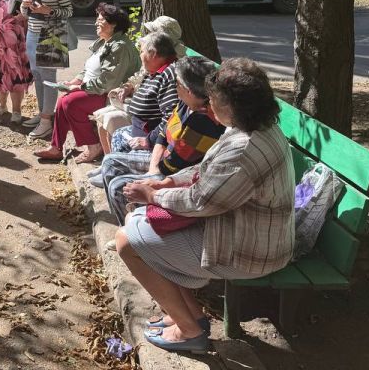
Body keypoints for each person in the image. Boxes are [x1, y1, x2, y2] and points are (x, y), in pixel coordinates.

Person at [115, 58, 295, 353]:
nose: (209, 105)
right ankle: (187, 315)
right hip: (242, 232)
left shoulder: (245, 148)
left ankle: (189, 331)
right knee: (139, 225)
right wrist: (169, 182)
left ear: (231, 106)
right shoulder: (254, 127)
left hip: (250, 251)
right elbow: (208, 170)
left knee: (127, 242)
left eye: (213, 100)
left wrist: (153, 196)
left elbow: (202, 201)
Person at [92, 56, 225, 224]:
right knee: (110, 162)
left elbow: (172, 166)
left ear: (188, 90)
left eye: (177, 83)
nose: (175, 87)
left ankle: (129, 228)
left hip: (179, 175)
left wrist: (154, 175)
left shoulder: (203, 122)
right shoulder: (187, 103)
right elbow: (163, 132)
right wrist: (153, 169)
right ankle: (127, 220)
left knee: (118, 187)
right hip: (164, 161)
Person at [33, 3, 140, 163]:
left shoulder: (120, 46)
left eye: (101, 20)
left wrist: (79, 87)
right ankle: (56, 147)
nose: (96, 22)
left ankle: (93, 146)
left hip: (109, 94)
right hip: (95, 89)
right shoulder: (104, 42)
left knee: (71, 103)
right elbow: (88, 70)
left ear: (113, 24)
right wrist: (74, 81)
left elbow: (109, 81)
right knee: (62, 101)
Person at [91, 16, 184, 149]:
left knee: (109, 118)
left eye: (154, 32)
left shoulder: (169, 66)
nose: (150, 34)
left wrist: (149, 140)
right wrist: (127, 86)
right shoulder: (154, 59)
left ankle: (105, 156)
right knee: (103, 118)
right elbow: (139, 76)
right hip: (138, 110)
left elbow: (171, 114)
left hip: (150, 130)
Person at [20, 0, 73, 140]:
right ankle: (44, 113)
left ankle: (46, 122)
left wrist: (48, 10)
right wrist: (24, 6)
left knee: (48, 78)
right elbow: (25, 13)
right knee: (37, 75)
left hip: (52, 33)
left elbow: (69, 11)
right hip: (33, 33)